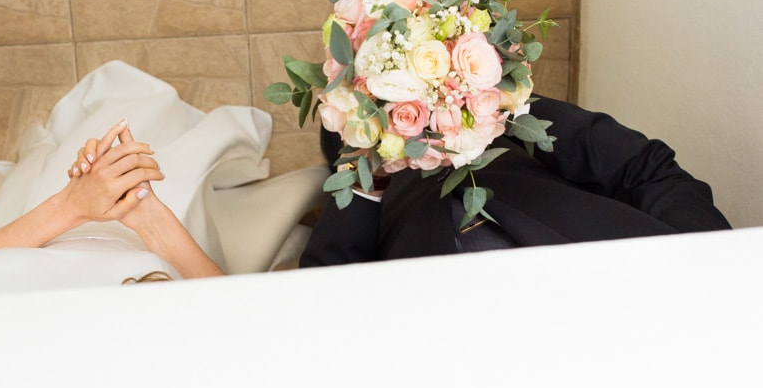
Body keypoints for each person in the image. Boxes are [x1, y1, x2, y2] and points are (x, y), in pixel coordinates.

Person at [299, 95, 732, 267]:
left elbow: (648, 169)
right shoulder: (370, 196)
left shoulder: (515, 133)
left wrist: (505, 105)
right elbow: (322, 300)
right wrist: (362, 174)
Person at [0, 120, 224, 299]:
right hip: (153, 244)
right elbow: (239, 311)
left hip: (41, 228)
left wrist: (68, 207)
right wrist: (147, 213)